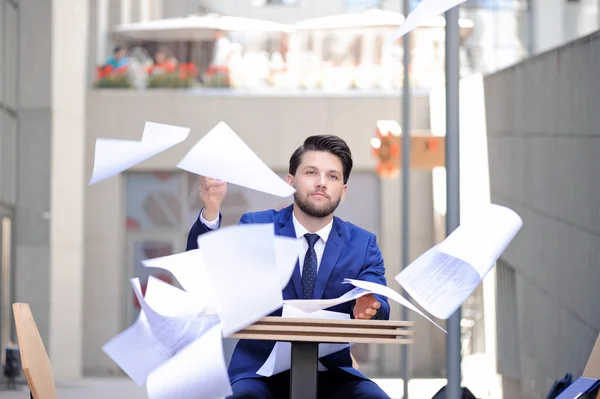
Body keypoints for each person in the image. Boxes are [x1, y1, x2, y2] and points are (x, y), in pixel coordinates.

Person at [186, 135, 391, 399]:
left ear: (343, 189)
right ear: (290, 182)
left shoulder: (362, 244)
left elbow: (381, 304)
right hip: (259, 372)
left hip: (333, 373)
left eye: (332, 176)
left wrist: (370, 306)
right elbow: (204, 277)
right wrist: (211, 212)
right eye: (310, 172)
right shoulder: (257, 228)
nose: (321, 182)